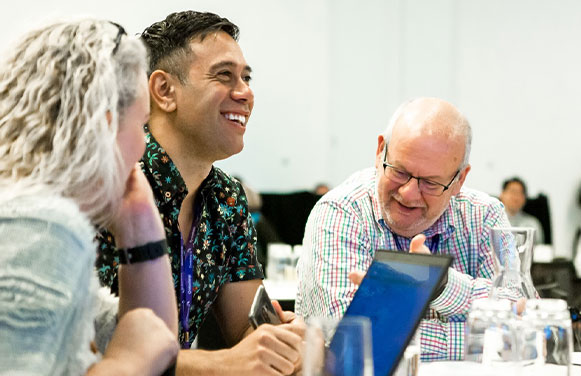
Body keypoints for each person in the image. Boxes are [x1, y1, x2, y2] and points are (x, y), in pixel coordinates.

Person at [95, 11, 304, 374]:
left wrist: (282, 341)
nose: (245, 92)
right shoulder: (108, 186)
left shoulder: (227, 197)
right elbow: (87, 350)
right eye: (224, 76)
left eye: (246, 77)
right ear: (163, 91)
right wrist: (219, 364)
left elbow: (247, 327)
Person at [0, 19, 178, 374]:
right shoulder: (40, 226)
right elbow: (141, 352)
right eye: (142, 125)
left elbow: (154, 340)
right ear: (105, 126)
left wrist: (140, 228)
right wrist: (129, 363)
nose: (143, 147)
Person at [296, 97, 514, 361]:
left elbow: (522, 323)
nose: (408, 193)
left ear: (459, 180)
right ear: (380, 152)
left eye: (430, 183)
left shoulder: (485, 215)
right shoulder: (340, 212)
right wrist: (484, 338)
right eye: (399, 171)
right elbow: (353, 341)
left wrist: (440, 284)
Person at [499, 177, 544, 244]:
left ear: (524, 198)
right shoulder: (493, 222)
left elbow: (540, 250)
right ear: (502, 195)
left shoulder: (532, 224)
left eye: (520, 193)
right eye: (512, 192)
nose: (515, 197)